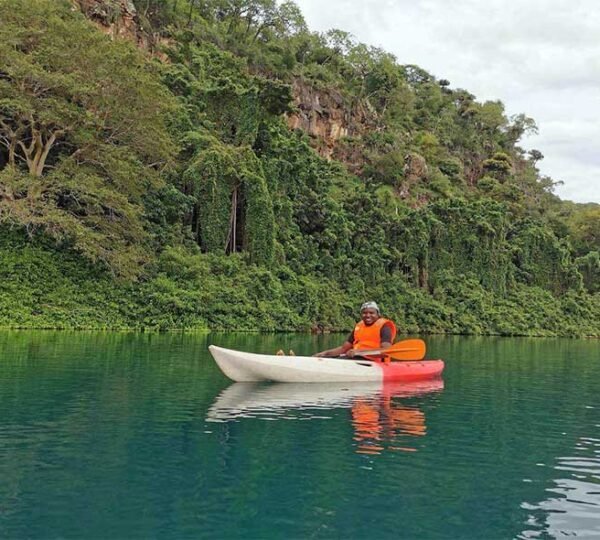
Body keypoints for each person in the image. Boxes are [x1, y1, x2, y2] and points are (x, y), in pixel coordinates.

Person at [313, 301, 397, 360]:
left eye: (371, 313)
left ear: (378, 314)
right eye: (364, 313)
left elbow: (386, 351)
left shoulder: (384, 327)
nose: (367, 315)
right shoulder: (359, 327)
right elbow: (343, 349)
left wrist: (359, 352)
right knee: (325, 358)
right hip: (356, 358)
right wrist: (324, 353)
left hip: (374, 361)